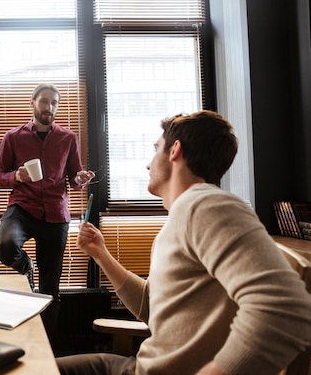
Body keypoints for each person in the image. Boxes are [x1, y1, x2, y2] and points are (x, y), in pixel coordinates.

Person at [56, 110, 311, 375]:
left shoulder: (205, 205)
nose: (148, 164)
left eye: (156, 149)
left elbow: (284, 310)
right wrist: (101, 254)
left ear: (175, 150)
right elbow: (152, 306)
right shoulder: (183, 213)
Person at [0, 83, 94, 334]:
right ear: (33, 103)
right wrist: (16, 176)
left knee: (50, 290)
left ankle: (47, 349)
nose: (49, 107)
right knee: (5, 247)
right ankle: (26, 265)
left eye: (54, 103)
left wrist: (80, 180)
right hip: (22, 207)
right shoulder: (13, 137)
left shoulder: (68, 138)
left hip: (56, 214)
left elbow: (74, 178)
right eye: (44, 101)